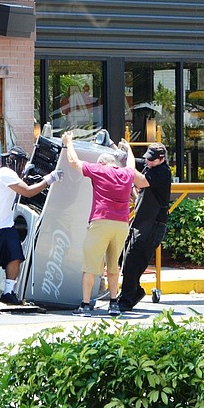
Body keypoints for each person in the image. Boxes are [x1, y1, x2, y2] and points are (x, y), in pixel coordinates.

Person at [62, 131, 148, 315]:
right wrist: (129, 149)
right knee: (113, 266)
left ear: (102, 162)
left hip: (101, 221)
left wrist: (69, 142)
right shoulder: (125, 173)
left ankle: (85, 305)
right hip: (121, 225)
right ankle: (114, 304)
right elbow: (131, 164)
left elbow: (73, 162)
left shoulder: (99, 170)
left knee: (90, 266)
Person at [0, 146, 63, 306]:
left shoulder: (12, 174)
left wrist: (29, 175)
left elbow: (24, 183)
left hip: (5, 223)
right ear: (14, 162)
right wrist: (49, 179)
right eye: (22, 162)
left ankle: (9, 292)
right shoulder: (5, 173)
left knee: (15, 256)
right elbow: (27, 192)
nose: (23, 166)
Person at [118, 142, 172, 312]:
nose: (148, 162)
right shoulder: (151, 165)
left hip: (152, 226)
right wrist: (115, 147)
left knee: (133, 262)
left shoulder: (162, 172)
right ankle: (135, 292)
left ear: (162, 159)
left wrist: (130, 156)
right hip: (141, 223)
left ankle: (126, 300)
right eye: (147, 159)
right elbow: (132, 163)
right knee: (124, 259)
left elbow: (139, 180)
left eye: (152, 160)